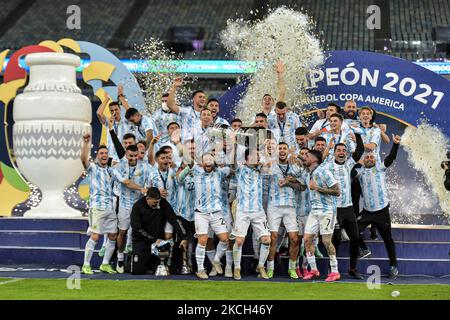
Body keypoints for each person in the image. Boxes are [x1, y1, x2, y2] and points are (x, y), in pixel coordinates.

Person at [353, 135, 402, 279]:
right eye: (367, 158)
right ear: (363, 160)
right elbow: (347, 171)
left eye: (371, 158)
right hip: (367, 212)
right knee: (354, 231)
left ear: (375, 160)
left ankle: (393, 266)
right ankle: (363, 248)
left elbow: (391, 158)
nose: (369, 159)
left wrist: (395, 144)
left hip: (382, 211)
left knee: (388, 239)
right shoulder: (359, 172)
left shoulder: (380, 168)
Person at [178, 153, 231, 279]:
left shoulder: (219, 172)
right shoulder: (196, 171)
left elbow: (231, 169)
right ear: (201, 162)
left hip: (217, 212)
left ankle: (216, 260)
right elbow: (180, 179)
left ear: (214, 162)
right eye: (205, 160)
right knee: (202, 240)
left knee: (225, 239)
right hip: (201, 213)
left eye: (210, 160)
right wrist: (188, 165)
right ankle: (201, 269)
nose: (208, 162)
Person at [327, 132, 365, 280]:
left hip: (348, 209)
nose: (341, 152)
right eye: (339, 150)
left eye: (343, 150)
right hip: (334, 209)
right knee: (335, 240)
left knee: (355, 239)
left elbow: (360, 150)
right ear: (334, 153)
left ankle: (352, 269)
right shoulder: (328, 166)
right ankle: (333, 270)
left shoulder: (349, 164)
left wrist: (358, 135)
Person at [231, 148, 271, 280]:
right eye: (255, 156)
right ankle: (237, 268)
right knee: (239, 240)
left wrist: (264, 156)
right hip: (243, 211)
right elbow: (234, 160)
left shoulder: (261, 170)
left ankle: (260, 266)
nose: (258, 158)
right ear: (247, 159)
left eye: (258, 156)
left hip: (258, 211)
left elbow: (270, 165)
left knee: (266, 240)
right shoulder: (240, 169)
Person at [80, 134, 118, 275]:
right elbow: (83, 159)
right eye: (101, 153)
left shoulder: (110, 171)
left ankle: (105, 264)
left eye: (106, 153)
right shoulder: (93, 169)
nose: (104, 155)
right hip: (97, 207)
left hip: (110, 208)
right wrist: (86, 143)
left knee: (113, 236)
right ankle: (86, 265)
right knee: (95, 236)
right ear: (97, 156)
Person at [266, 142, 304, 279]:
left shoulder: (295, 166)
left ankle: (292, 268)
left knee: (294, 239)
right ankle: (270, 268)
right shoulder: (271, 165)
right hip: (274, 206)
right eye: (280, 148)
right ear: (276, 150)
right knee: (273, 238)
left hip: (290, 206)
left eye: (284, 148)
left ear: (288, 150)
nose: (282, 151)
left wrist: (290, 182)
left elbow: (302, 187)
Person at [302, 150, 341, 282]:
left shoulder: (324, 171)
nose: (304, 157)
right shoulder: (309, 172)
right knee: (307, 239)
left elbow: (337, 191)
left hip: (327, 210)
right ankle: (313, 269)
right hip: (314, 211)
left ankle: (335, 271)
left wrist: (318, 188)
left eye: (307, 156)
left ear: (314, 159)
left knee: (326, 241)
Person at [130, 187, 188, 275]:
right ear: (147, 198)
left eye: (158, 202)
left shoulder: (163, 203)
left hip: (158, 244)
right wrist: (154, 239)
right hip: (141, 242)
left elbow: (174, 220)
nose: (156, 204)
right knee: (137, 271)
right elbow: (137, 228)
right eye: (154, 203)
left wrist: (184, 236)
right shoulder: (137, 206)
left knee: (160, 270)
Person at [112, 145, 150, 273]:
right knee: (122, 232)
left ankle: (136, 261)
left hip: (139, 205)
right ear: (126, 155)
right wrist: (141, 189)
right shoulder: (119, 167)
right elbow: (127, 183)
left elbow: (151, 179)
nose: (133, 158)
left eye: (135, 156)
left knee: (138, 232)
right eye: (130, 156)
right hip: (124, 205)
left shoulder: (144, 167)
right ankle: (120, 259)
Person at [96, 89, 131, 164]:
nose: (114, 112)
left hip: (122, 156)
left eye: (116, 109)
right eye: (111, 110)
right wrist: (106, 99)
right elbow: (99, 113)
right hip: (110, 157)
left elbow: (130, 111)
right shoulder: (109, 122)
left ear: (120, 109)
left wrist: (121, 98)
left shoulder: (127, 122)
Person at [166, 77, 206, 141]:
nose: (203, 99)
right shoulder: (187, 111)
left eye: (204, 97)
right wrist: (174, 87)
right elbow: (170, 104)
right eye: (200, 97)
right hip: (186, 146)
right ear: (193, 98)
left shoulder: (207, 114)